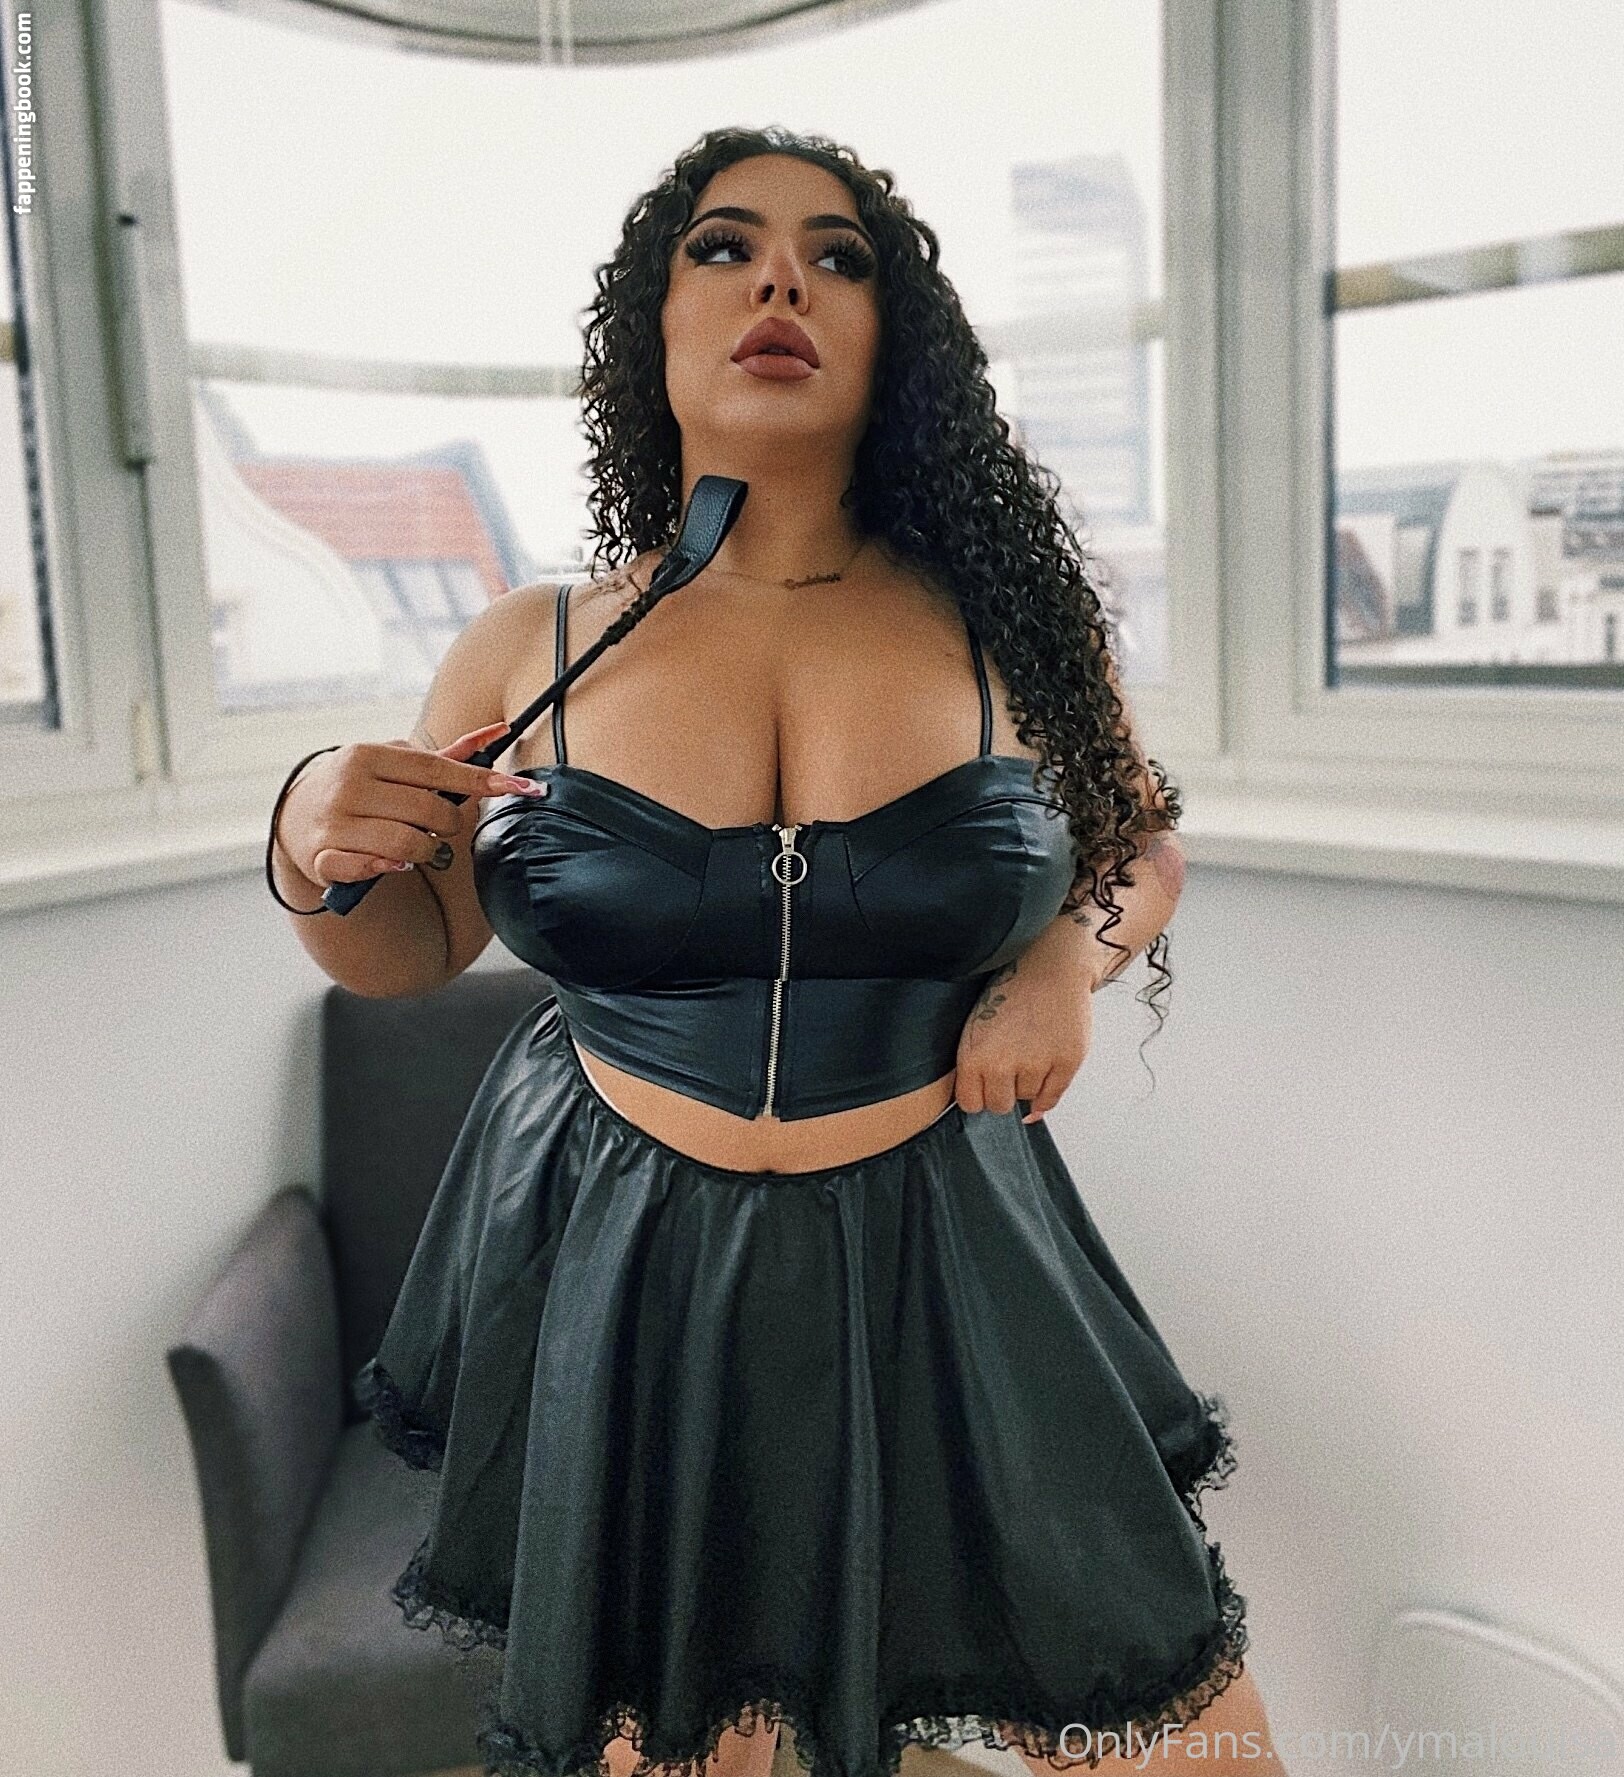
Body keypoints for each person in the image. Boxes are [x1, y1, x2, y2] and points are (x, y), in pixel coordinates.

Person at [268, 126, 1282, 1777]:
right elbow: (414, 942)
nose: (784, 282)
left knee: (1187, 1740)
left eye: (840, 257)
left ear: (895, 343)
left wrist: (1060, 966)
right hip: (623, 1256)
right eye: (726, 247)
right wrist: (308, 829)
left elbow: (1135, 844)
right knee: (684, 1747)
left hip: (941, 1246)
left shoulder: (1015, 630)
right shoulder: (529, 644)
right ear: (654, 329)